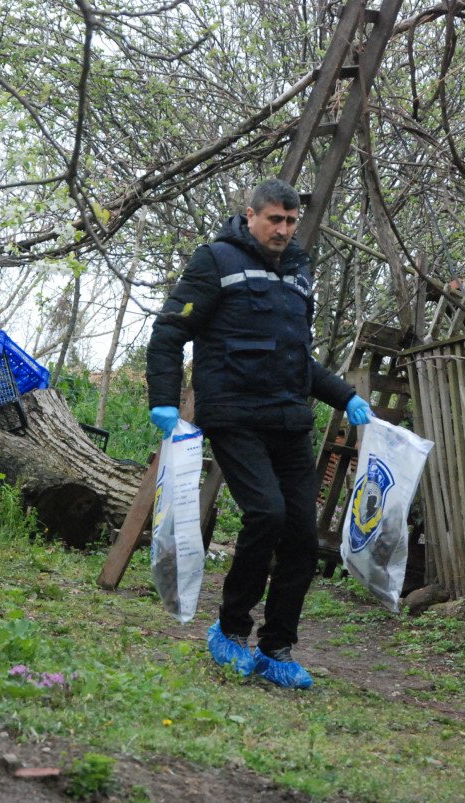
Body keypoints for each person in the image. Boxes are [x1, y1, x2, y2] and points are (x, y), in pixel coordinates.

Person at [145, 178, 372, 689]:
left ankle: (278, 649)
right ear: (250, 216)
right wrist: (162, 399)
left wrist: (344, 395)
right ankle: (229, 631)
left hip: (290, 418)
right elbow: (168, 332)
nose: (284, 230)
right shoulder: (215, 261)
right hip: (235, 414)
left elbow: (296, 357)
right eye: (275, 219)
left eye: (291, 221)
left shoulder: (298, 272)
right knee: (266, 514)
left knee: (301, 536)